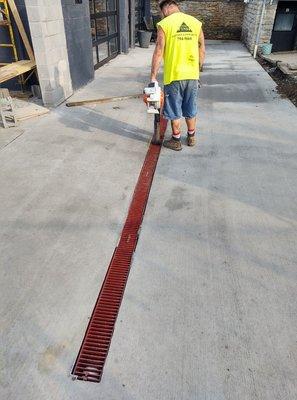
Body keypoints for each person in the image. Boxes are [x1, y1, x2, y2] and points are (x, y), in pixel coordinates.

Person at [150, 0, 205, 151]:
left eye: (161, 12)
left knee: (174, 110)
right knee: (190, 107)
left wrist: (153, 77)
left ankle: (176, 140)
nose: (162, 15)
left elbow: (159, 51)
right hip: (192, 76)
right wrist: (197, 71)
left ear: (166, 8)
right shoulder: (195, 23)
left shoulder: (165, 24)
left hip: (174, 76)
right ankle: (192, 137)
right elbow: (202, 49)